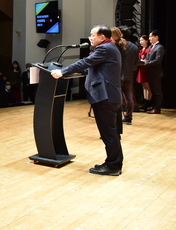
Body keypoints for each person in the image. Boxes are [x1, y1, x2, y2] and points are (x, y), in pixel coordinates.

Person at [51, 25, 123, 176]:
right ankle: (113, 162)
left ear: (102, 37)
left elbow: (85, 63)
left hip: (106, 98)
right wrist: (66, 70)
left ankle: (113, 166)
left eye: (93, 35)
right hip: (109, 96)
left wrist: (63, 71)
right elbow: (88, 67)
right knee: (110, 133)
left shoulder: (105, 49)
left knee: (108, 133)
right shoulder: (108, 48)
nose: (90, 38)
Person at [112, 27, 139, 124]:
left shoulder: (118, 46)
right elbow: (136, 63)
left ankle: (116, 118)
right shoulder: (135, 47)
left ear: (121, 34)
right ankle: (128, 117)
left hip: (118, 74)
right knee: (129, 97)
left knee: (117, 97)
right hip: (129, 74)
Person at [141, 30, 165, 114]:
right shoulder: (151, 47)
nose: (149, 38)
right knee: (153, 91)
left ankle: (157, 108)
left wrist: (146, 64)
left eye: (151, 36)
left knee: (157, 92)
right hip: (150, 73)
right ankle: (153, 106)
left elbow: (158, 60)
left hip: (156, 73)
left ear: (156, 37)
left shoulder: (160, 47)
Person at [136, 35, 151, 110]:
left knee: (147, 86)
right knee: (144, 86)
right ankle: (145, 101)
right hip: (141, 68)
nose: (140, 42)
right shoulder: (141, 49)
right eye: (140, 40)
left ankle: (148, 102)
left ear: (146, 41)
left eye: (142, 40)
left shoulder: (148, 49)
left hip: (146, 69)